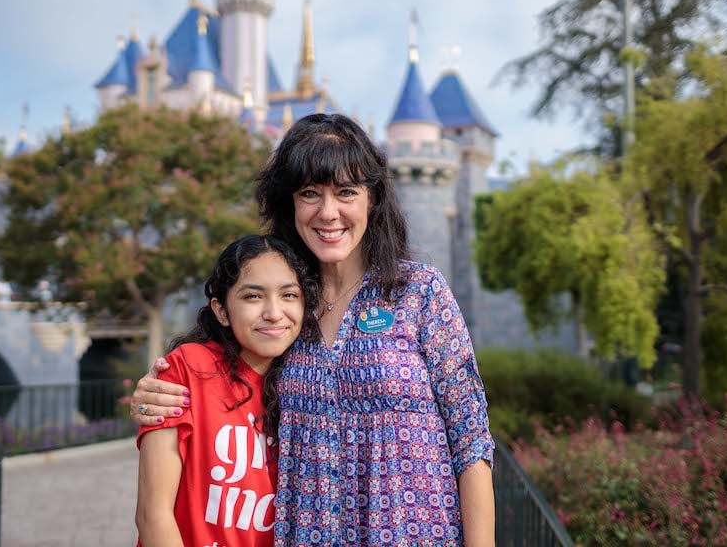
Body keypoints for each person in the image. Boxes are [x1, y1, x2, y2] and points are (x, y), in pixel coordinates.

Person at [132, 114, 496, 546]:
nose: (328, 212)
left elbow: (471, 443)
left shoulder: (419, 292)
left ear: (372, 199)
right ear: (289, 203)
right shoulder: (285, 312)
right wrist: (154, 394)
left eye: (346, 192)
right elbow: (218, 377)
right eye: (309, 193)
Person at [135, 234, 319, 547]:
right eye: (253, 297)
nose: (274, 313)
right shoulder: (189, 368)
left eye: (289, 295)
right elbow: (153, 514)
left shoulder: (306, 384)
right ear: (221, 310)